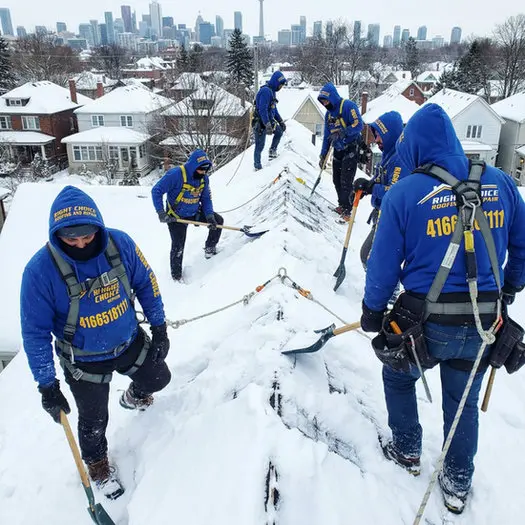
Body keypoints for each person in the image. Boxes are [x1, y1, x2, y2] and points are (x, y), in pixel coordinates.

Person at [360, 103, 525, 514]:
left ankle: (407, 448)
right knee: (463, 401)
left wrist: (373, 311)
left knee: (398, 378)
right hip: (484, 323)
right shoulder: (503, 184)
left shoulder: (405, 193)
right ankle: (456, 482)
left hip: (423, 325)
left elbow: (382, 264)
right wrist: (509, 286)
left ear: (414, 147)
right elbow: (523, 244)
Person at [21, 185, 171, 500]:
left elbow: (146, 281)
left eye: (87, 237)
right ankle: (98, 467)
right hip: (83, 359)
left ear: (98, 227)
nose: (80, 244)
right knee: (93, 421)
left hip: (127, 340)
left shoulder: (121, 244)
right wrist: (47, 385)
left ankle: (134, 396)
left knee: (160, 378)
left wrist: (159, 327)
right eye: (70, 239)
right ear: (56, 233)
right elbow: (34, 331)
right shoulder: (39, 272)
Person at [152, 149, 223, 281]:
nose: (203, 173)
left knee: (218, 221)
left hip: (194, 211)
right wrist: (161, 212)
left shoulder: (204, 179)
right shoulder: (175, 175)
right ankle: (176, 277)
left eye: (205, 170)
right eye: (201, 170)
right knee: (178, 245)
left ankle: (210, 248)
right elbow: (156, 191)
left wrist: (209, 216)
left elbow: (206, 198)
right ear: (193, 167)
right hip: (176, 216)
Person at [353, 111, 410, 268]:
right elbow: (381, 179)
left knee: (373, 258)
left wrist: (373, 188)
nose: (376, 140)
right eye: (375, 134)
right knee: (374, 259)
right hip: (383, 214)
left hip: (393, 218)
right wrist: (365, 186)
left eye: (379, 135)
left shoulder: (400, 160)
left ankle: (386, 292)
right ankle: (383, 290)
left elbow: (395, 193)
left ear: (389, 134)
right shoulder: (389, 154)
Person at [317, 82, 364, 219]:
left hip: (350, 148)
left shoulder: (348, 106)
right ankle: (341, 205)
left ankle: (348, 210)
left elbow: (359, 124)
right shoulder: (328, 115)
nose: (325, 104)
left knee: (346, 180)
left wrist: (345, 132)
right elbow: (327, 136)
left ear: (332, 97)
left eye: (326, 100)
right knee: (336, 179)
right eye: (323, 101)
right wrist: (323, 154)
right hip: (337, 149)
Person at [252, 71, 288, 170]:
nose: (281, 87)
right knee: (260, 145)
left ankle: (272, 151)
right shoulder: (265, 91)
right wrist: (267, 124)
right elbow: (262, 109)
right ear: (276, 82)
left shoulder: (272, 92)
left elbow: (273, 109)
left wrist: (280, 121)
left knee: (279, 131)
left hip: (268, 120)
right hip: (260, 122)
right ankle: (257, 166)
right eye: (280, 85)